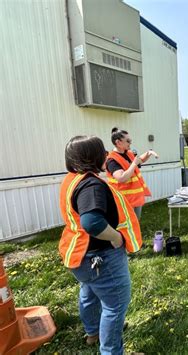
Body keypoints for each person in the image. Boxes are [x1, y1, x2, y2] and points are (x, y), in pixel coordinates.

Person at [59, 135, 142, 354]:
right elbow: (92, 222)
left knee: (89, 292)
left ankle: (93, 332)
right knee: (114, 306)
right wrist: (116, 238)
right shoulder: (91, 184)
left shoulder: (73, 178)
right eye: (102, 151)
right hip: (101, 256)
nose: (106, 154)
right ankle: (111, 350)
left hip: (79, 256)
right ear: (93, 156)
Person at [106, 127, 155, 219]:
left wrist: (148, 153)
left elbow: (139, 160)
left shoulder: (129, 153)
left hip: (135, 198)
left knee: (135, 223)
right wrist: (134, 164)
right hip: (123, 200)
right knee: (127, 225)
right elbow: (121, 178)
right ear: (118, 142)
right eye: (128, 141)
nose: (130, 143)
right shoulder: (112, 160)